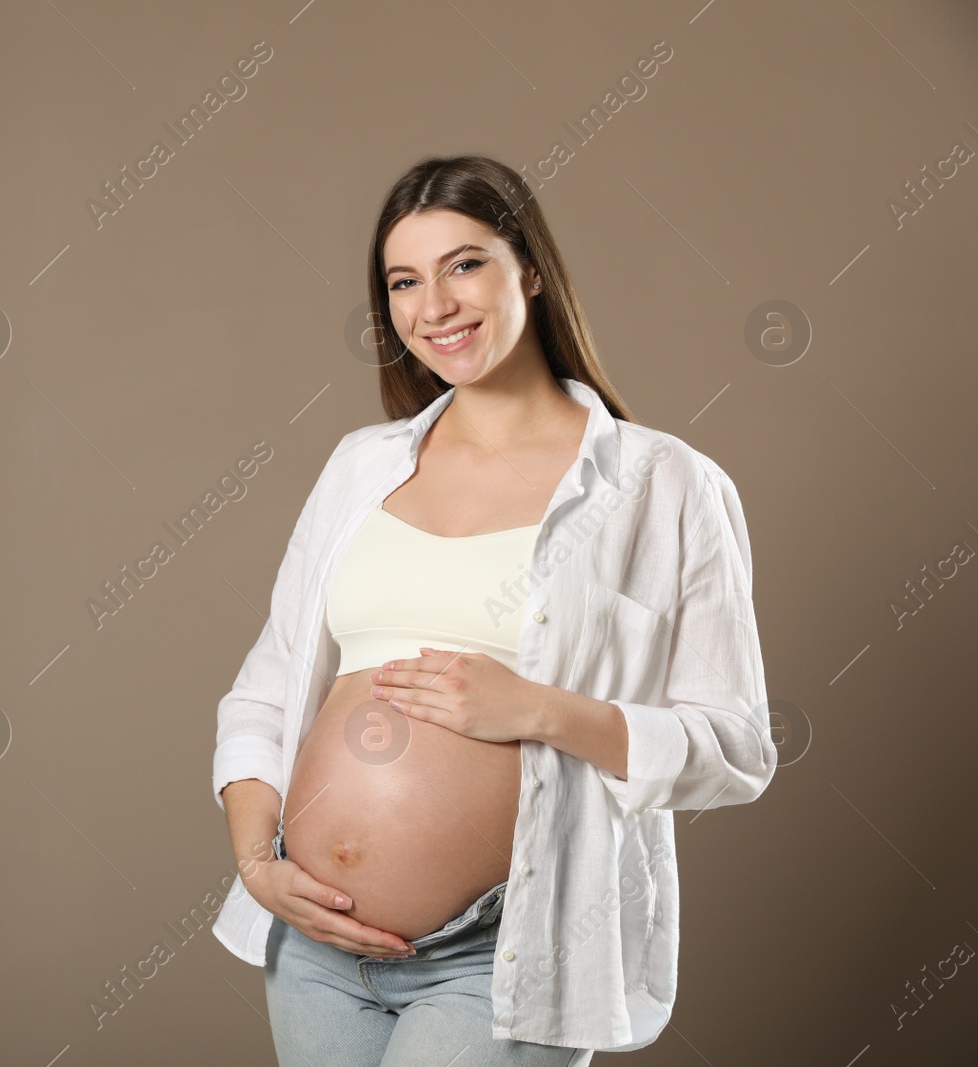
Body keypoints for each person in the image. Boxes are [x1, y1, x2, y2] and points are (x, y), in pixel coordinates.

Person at [211, 155, 777, 1064]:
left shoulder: (658, 484)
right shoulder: (362, 466)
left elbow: (736, 749)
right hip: (313, 943)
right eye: (405, 280)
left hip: (503, 952)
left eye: (464, 265)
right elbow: (266, 686)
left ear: (532, 271)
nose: (434, 305)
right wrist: (259, 866)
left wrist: (539, 710)